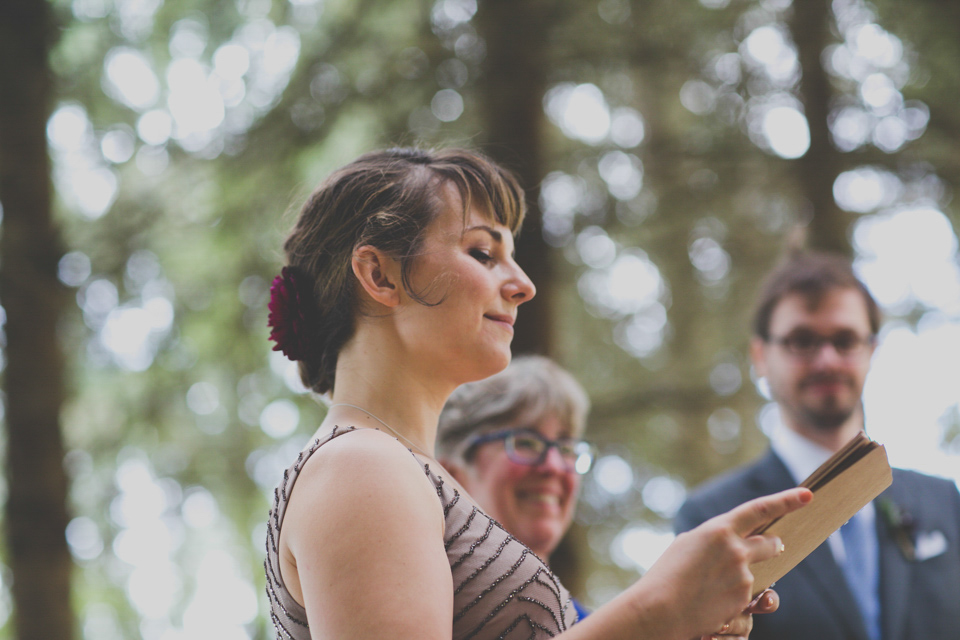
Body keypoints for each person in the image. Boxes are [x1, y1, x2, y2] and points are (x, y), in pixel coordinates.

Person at [262, 146, 811, 640]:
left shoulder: (395, 470)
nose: (522, 284)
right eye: (482, 252)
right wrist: (655, 610)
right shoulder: (361, 466)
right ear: (380, 276)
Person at [674, 251, 960, 640]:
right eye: (802, 341)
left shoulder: (943, 500)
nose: (827, 360)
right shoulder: (712, 518)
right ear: (760, 356)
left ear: (872, 351)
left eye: (845, 340)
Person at [436, 355, 595, 620]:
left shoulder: (586, 622)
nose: (554, 466)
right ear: (453, 475)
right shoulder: (427, 610)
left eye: (566, 448)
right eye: (526, 443)